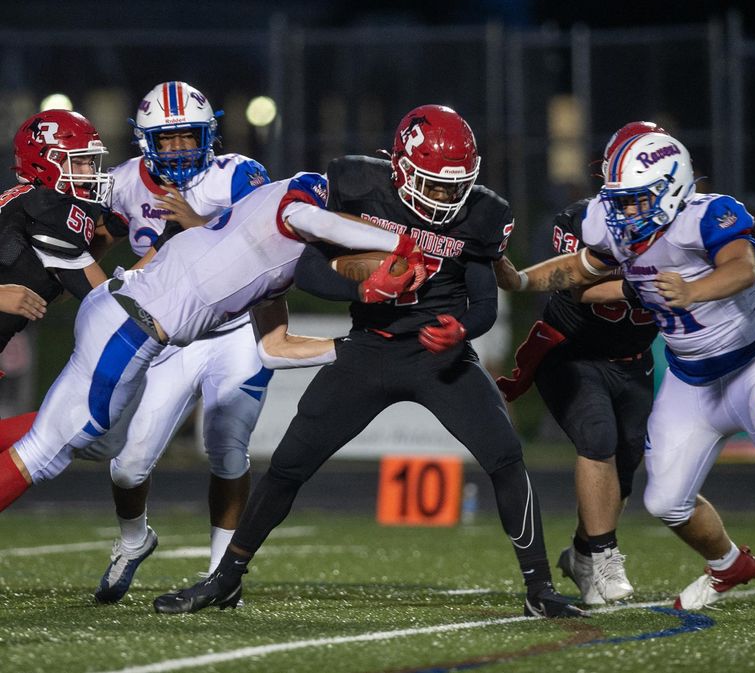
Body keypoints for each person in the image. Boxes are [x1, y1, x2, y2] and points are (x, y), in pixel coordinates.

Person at [152, 104, 587, 619]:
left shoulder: (483, 215)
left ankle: (538, 587)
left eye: (457, 187)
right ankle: (225, 579)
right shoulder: (359, 185)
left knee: (506, 457)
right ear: (400, 169)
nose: (447, 197)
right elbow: (308, 269)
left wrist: (461, 329)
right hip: (369, 348)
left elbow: (486, 303)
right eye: (436, 184)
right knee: (289, 465)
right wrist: (364, 283)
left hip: (439, 358)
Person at [0, 170, 425, 519]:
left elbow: (273, 348)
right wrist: (403, 243)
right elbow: (314, 220)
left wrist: (350, 345)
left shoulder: (272, 256)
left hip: (125, 320)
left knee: (94, 441)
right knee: (46, 452)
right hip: (131, 327)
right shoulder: (302, 200)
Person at [495, 131, 755, 610]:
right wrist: (524, 279)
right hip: (690, 376)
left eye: (637, 200)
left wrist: (694, 291)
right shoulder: (609, 223)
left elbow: (743, 269)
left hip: (754, 362)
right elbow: (583, 268)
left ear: (673, 186)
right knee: (665, 502)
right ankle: (729, 565)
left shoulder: (706, 215)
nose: (625, 212)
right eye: (619, 201)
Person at [79, 81, 276, 604]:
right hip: (166, 336)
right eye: (166, 140)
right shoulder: (124, 183)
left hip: (236, 332)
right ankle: (132, 539)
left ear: (208, 134)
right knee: (129, 462)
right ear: (146, 142)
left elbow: (267, 242)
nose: (180, 149)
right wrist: (94, 281)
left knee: (227, 449)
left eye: (189, 136)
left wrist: (200, 226)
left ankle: (221, 576)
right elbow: (91, 242)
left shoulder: (238, 175)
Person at [496, 121, 664, 605]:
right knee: (598, 439)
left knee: (627, 466)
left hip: (634, 360)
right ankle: (606, 556)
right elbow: (577, 284)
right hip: (571, 351)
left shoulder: (680, 225)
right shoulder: (584, 220)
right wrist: (644, 281)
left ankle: (583, 554)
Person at [0, 109, 112, 352]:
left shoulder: (22, 203)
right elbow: (111, 305)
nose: (89, 173)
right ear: (44, 163)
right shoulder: (47, 209)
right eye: (78, 162)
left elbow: (63, 287)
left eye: (90, 162)